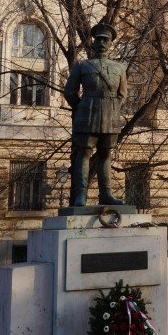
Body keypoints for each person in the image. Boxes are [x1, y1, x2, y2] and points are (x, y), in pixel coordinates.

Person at [64, 22, 128, 206]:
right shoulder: (82, 66)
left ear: (110, 43)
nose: (101, 42)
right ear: (93, 42)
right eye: (98, 39)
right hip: (87, 113)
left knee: (105, 154)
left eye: (105, 40)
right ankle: (80, 195)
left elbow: (122, 94)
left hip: (110, 116)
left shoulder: (119, 68)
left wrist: (112, 109)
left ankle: (106, 195)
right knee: (84, 153)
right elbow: (70, 92)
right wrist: (82, 107)